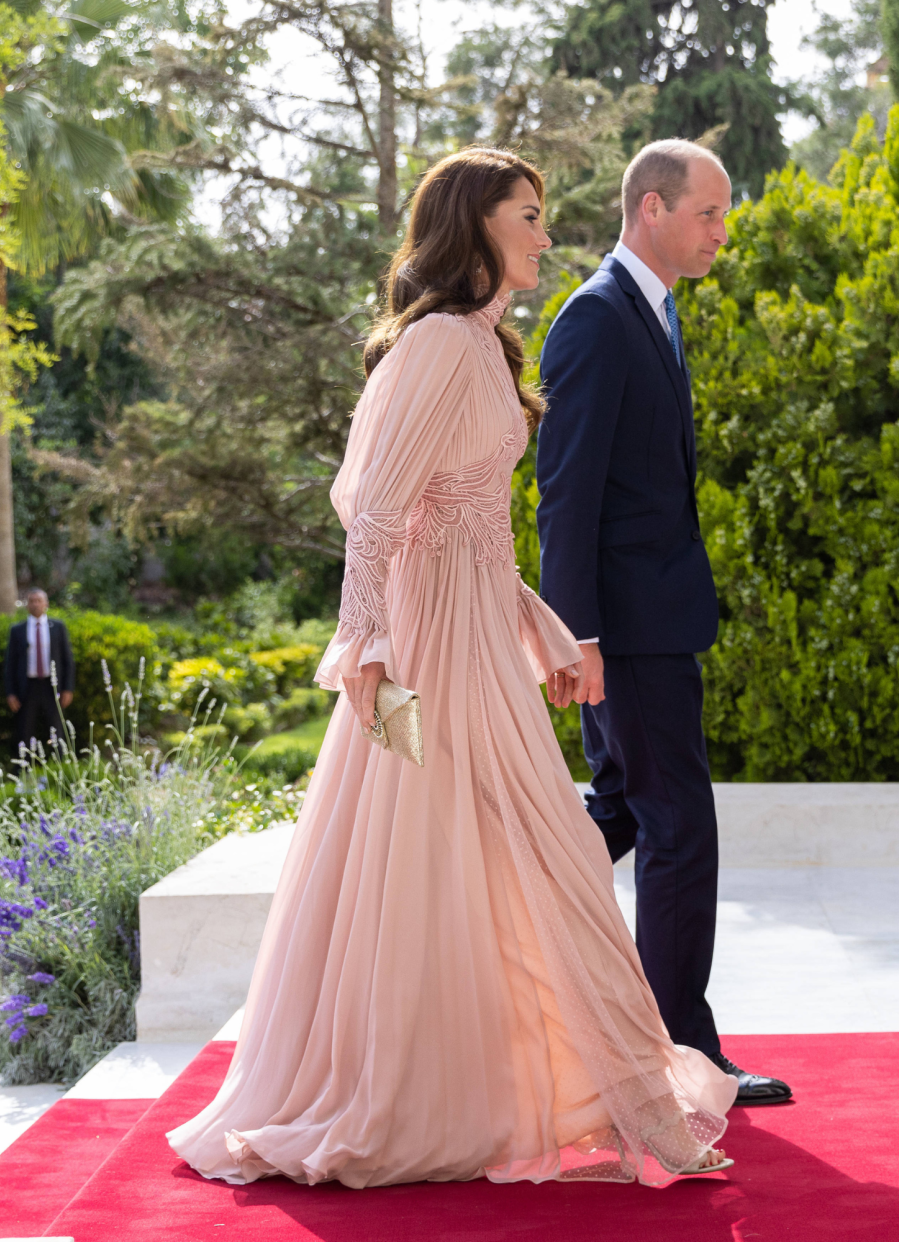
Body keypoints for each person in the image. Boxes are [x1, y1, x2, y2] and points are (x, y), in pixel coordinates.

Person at [169, 148, 737, 1190]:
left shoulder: (487, 345)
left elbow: (470, 523)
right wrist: (370, 648)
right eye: (528, 215)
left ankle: (537, 1082)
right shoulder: (434, 344)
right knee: (450, 855)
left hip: (482, 633)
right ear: (475, 225)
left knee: (526, 850)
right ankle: (416, 1094)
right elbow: (377, 510)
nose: (545, 233)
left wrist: (540, 623)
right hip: (428, 644)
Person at [536, 140, 792, 1104]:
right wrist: (580, 635)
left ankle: (484, 934)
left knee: (617, 816)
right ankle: (680, 1057)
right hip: (628, 633)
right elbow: (566, 491)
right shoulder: (598, 318)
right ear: (651, 208)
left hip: (653, 620)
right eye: (710, 213)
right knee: (680, 826)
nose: (723, 231)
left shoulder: (655, 308)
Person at [5, 589, 75, 750]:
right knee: (25, 729)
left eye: (39, 601)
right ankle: (24, 770)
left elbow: (67, 660)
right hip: (28, 686)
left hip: (52, 685)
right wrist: (11, 693)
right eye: (32, 601)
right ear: (27, 605)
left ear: (46, 604)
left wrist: (68, 688)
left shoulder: (57, 627)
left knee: (57, 729)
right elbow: (11, 664)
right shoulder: (18, 630)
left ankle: (59, 768)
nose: (35, 604)